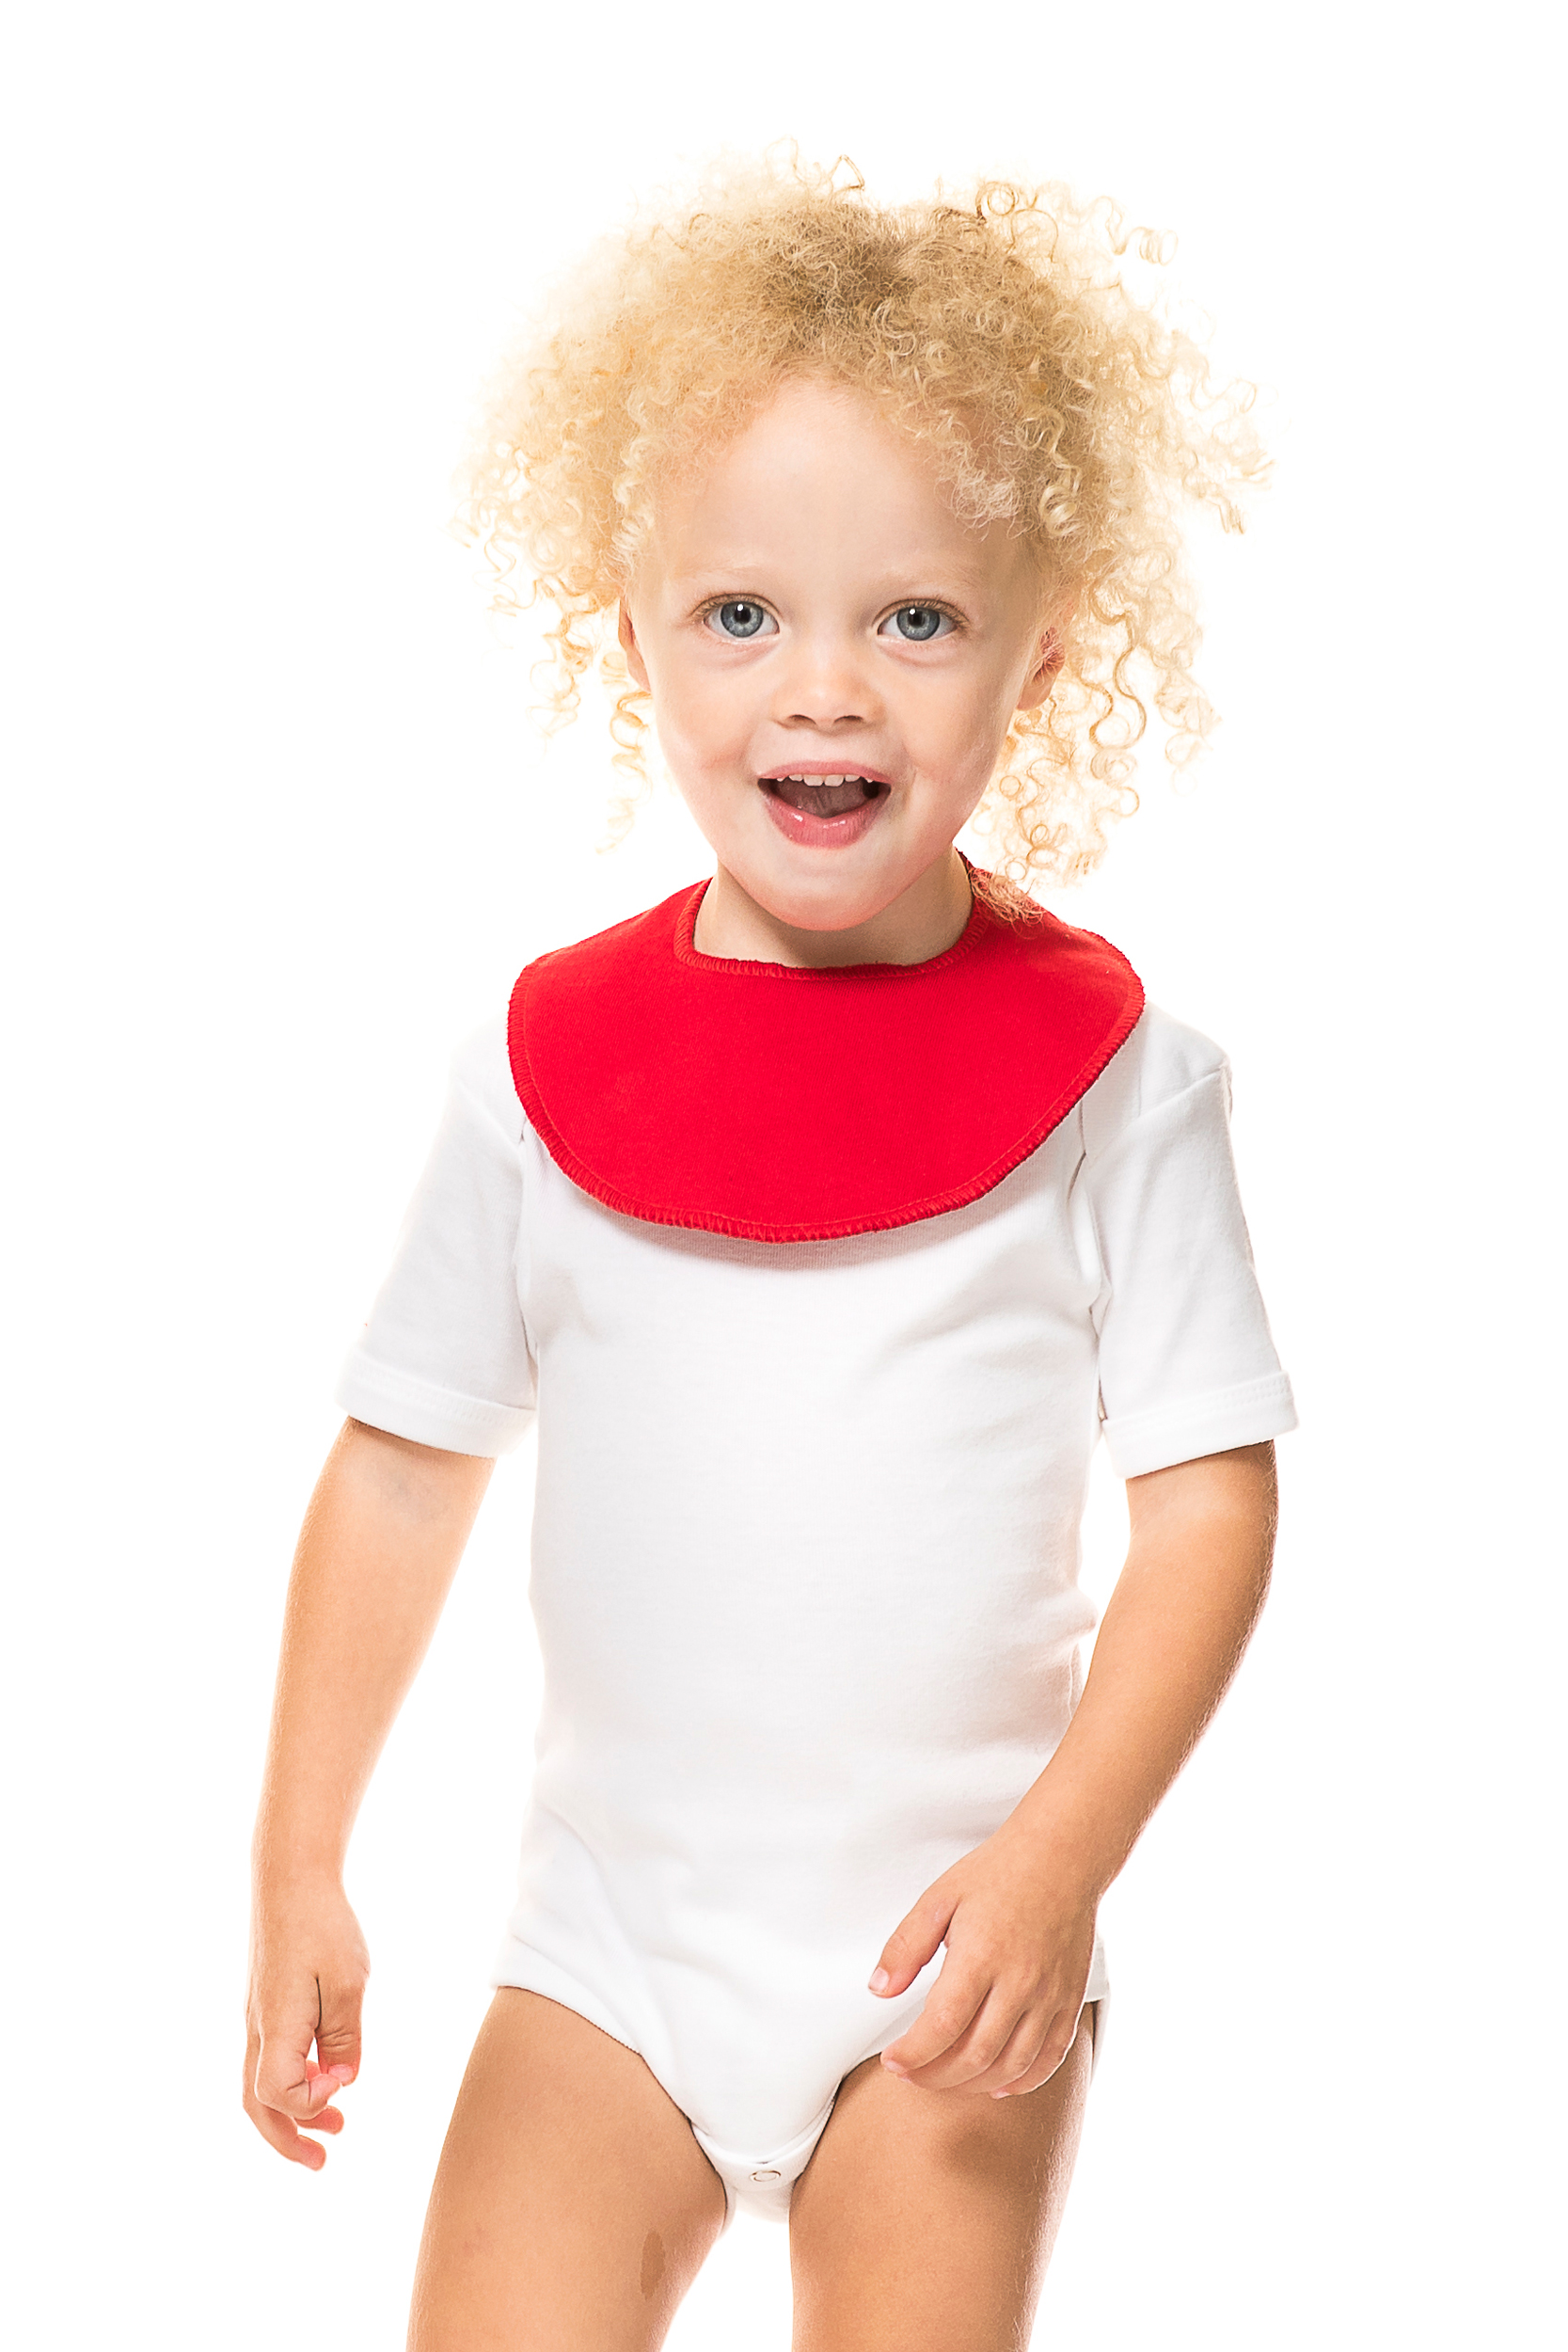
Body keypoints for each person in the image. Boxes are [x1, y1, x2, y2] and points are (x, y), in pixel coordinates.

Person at [245, 157, 1296, 2351]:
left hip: (948, 1962)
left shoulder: (1121, 1081)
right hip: (604, 1959)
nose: (826, 689)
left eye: (914, 619)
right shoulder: (535, 1071)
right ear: (625, 629)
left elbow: (1208, 1504)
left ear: (1042, 652)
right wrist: (299, 1857)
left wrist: (1061, 1862)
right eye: (742, 614)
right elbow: (404, 1470)